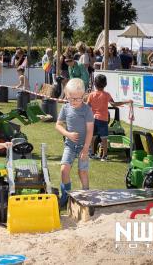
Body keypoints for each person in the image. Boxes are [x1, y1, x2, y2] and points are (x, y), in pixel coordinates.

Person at [55, 78, 94, 208]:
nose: (74, 101)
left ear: (83, 96)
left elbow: (90, 131)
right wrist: (68, 134)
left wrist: (86, 149)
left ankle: (86, 195)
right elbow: (58, 125)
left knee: (82, 171)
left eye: (78, 99)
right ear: (67, 95)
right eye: (71, 98)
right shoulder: (65, 108)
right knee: (64, 170)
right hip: (70, 145)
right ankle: (65, 195)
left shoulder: (87, 110)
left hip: (84, 146)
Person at [87, 74, 132, 161]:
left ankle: (92, 154)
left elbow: (87, 106)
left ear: (95, 85)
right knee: (104, 139)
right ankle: (104, 156)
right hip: (103, 119)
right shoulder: (107, 95)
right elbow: (114, 104)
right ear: (105, 84)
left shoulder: (91, 95)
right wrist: (126, 102)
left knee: (93, 137)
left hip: (93, 119)